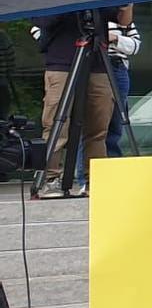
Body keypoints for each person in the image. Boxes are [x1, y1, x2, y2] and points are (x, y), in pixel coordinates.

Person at [33, 10, 114, 198]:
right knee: (56, 125)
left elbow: (123, 18)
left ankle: (96, 181)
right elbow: (43, 19)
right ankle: (50, 179)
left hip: (97, 60)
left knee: (98, 127)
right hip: (61, 62)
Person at [103, 5, 138, 159]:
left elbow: (135, 46)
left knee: (117, 120)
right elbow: (37, 29)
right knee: (94, 122)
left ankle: (113, 163)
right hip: (95, 65)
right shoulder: (86, 13)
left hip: (118, 66)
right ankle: (86, 176)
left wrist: (115, 38)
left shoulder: (122, 16)